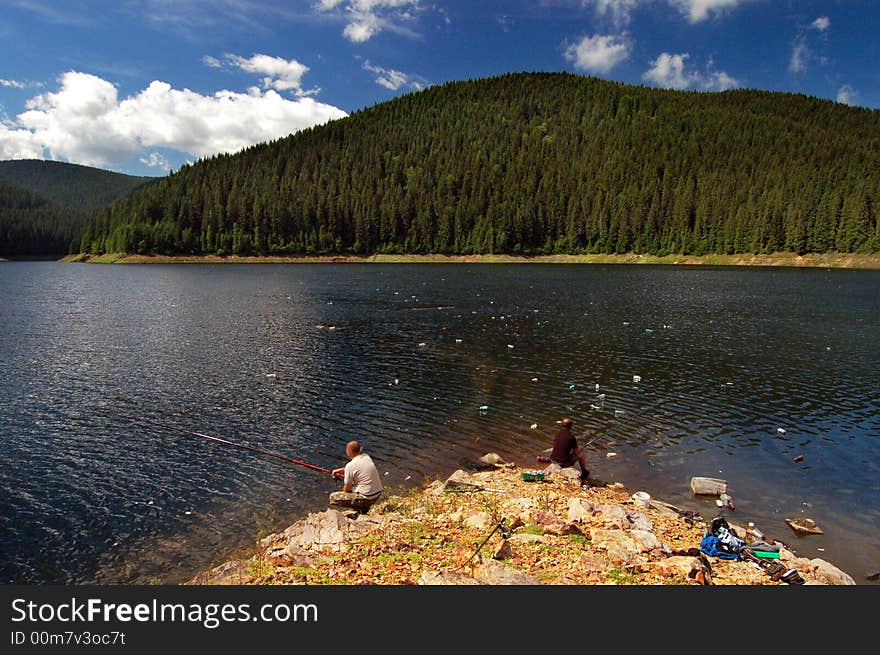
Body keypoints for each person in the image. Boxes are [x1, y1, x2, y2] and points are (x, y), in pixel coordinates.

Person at [329, 440, 383, 513]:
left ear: (349, 452)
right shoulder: (366, 457)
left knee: (333, 497)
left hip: (368, 498)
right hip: (377, 494)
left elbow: (346, 489)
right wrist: (339, 470)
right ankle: (363, 507)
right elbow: (357, 468)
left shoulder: (350, 466)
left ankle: (361, 508)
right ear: (359, 449)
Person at [550, 418, 590, 485]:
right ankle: (584, 471)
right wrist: (580, 449)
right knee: (580, 454)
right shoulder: (571, 437)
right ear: (571, 426)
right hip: (563, 463)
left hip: (553, 460)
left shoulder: (557, 434)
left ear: (562, 425)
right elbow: (576, 452)